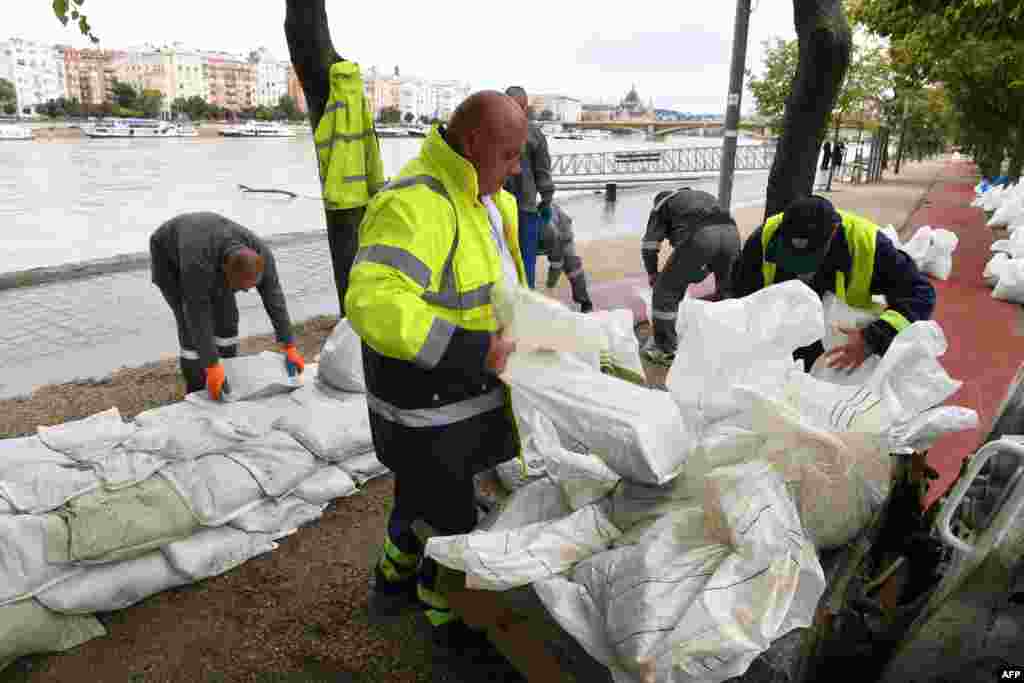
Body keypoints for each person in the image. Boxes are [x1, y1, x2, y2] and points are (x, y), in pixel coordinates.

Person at [345, 91, 527, 651]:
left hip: (466, 398)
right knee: (450, 520)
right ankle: (447, 621)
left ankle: (390, 578)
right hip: (427, 408)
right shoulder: (414, 204)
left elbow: (504, 285)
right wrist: (478, 350)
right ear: (472, 145)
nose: (518, 167)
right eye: (510, 154)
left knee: (417, 495)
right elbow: (373, 300)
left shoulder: (490, 201)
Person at [732, 195, 936, 372]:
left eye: (809, 260)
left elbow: (920, 293)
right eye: (792, 258)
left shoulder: (869, 245)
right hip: (781, 343)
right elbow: (739, 301)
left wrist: (872, 339)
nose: (801, 272)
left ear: (833, 234)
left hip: (843, 346)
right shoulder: (764, 239)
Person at [285, 0, 385, 318]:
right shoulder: (353, 100)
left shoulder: (334, 99)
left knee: (352, 268)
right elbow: (369, 148)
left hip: (339, 195)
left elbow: (327, 138)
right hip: (360, 195)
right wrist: (375, 184)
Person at [150, 212, 305, 400]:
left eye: (251, 287)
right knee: (189, 328)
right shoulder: (198, 263)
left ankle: (229, 376)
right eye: (240, 288)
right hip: (169, 257)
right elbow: (197, 313)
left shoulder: (263, 255)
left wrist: (289, 345)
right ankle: (197, 389)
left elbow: (275, 299)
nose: (246, 292)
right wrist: (211, 365)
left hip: (211, 249)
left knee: (227, 319)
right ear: (224, 272)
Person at [640, 188, 741, 366]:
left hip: (702, 236)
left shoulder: (662, 206)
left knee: (665, 291)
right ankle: (729, 340)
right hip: (732, 235)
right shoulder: (701, 196)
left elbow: (649, 245)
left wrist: (653, 274)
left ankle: (664, 350)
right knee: (726, 290)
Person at [502, 85, 554, 289]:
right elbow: (543, 173)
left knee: (496, 257)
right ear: (525, 107)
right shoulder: (534, 134)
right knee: (525, 260)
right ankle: (526, 299)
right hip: (525, 207)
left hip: (493, 207)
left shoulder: (490, 130)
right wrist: (547, 201)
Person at [541, 202, 593, 313]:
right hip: (540, 230)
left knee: (573, 267)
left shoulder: (555, 235)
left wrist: (550, 285)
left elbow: (556, 264)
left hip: (562, 235)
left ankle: (585, 301)